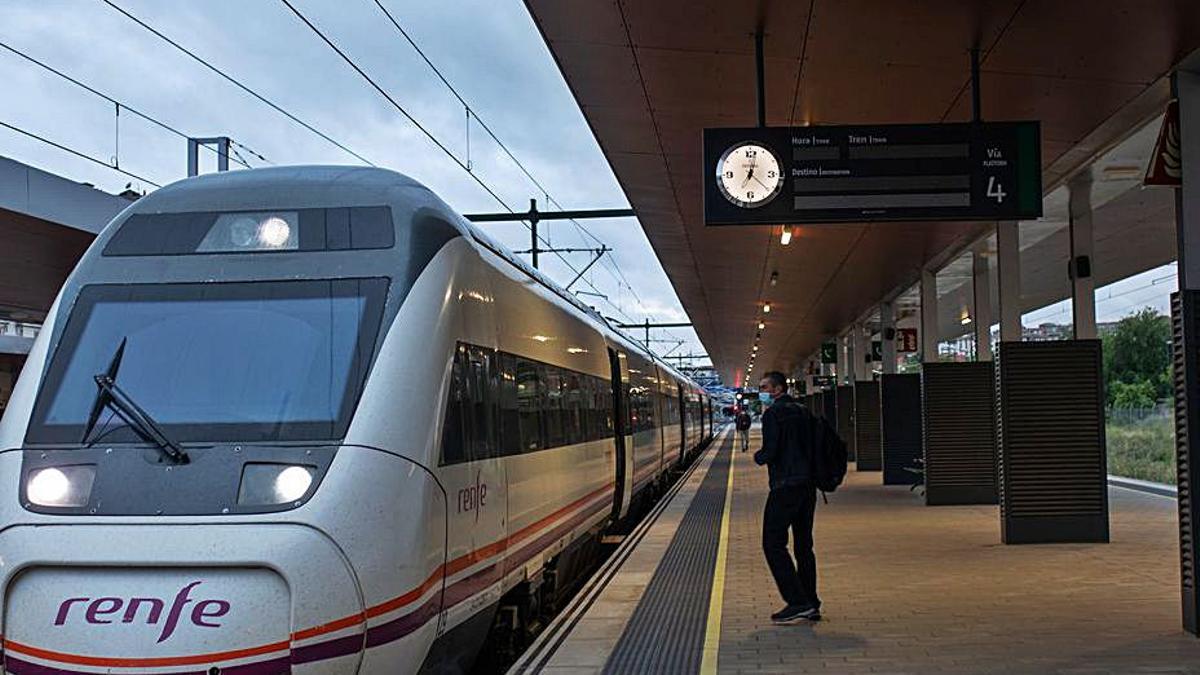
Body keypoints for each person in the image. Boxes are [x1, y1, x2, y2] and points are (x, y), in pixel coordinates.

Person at [753, 370, 821, 624]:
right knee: (804, 545)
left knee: (772, 543)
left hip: (785, 487)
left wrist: (758, 457)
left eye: (764, 387)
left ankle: (797, 602)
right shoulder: (803, 411)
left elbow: (771, 451)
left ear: (777, 389)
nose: (761, 391)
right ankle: (811, 602)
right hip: (808, 487)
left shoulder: (773, 414)